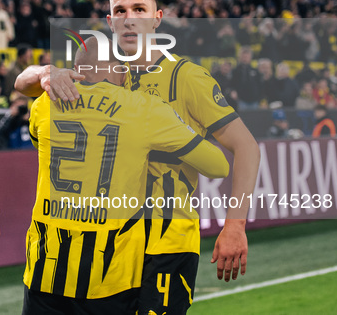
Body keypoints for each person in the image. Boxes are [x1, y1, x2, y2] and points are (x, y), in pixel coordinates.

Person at [15, 0, 260, 314]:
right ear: (110, 20)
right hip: (111, 249)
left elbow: (246, 147)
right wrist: (46, 71)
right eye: (121, 10)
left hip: (165, 243)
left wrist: (235, 224)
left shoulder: (185, 77)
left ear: (157, 18)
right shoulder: (99, 74)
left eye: (140, 9)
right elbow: (23, 86)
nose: (130, 18)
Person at [23, 37, 230, 314]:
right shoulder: (144, 109)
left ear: (75, 70)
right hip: (109, 275)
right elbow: (218, 166)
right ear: (119, 69)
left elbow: (38, 137)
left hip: (44, 270)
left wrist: (46, 73)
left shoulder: (44, 104)